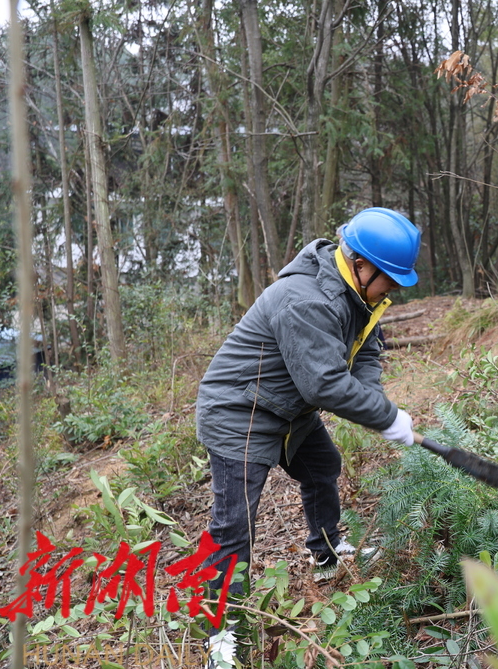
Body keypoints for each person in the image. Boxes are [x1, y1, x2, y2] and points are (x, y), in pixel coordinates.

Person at [195, 207, 421, 668]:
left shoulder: (357, 296)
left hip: (287, 408)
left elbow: (365, 352)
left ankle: (327, 551)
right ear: (361, 264)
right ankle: (219, 635)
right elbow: (325, 384)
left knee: (322, 466)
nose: (393, 290)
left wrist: (377, 403)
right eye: (390, 280)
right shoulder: (306, 299)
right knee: (235, 526)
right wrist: (386, 417)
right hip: (239, 411)